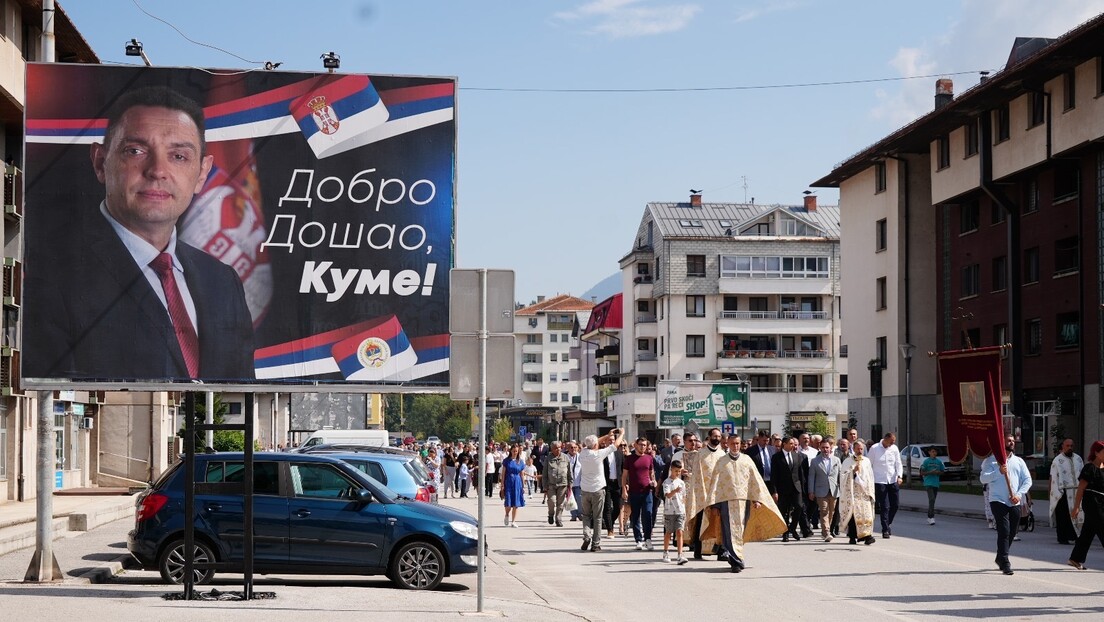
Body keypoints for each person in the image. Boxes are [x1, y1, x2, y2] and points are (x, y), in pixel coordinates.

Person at [24, 85, 255, 381]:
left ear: (201, 174)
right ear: (100, 162)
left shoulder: (223, 281)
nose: (157, 170)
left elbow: (242, 388)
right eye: (136, 151)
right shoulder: (49, 273)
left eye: (179, 156)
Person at [685, 433, 786, 573]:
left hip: (744, 501)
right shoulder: (721, 461)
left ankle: (735, 556)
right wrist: (715, 505)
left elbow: (755, 481)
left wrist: (756, 499)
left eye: (738, 443)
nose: (735, 446)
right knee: (729, 531)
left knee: (740, 531)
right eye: (732, 444)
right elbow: (716, 484)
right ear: (728, 444)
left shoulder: (747, 460)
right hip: (726, 502)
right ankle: (736, 561)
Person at [980, 435, 1032, 575]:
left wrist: (1019, 494)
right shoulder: (991, 460)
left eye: (1013, 440)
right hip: (997, 500)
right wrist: (998, 472)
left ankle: (1000, 556)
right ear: (1000, 442)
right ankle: (1005, 561)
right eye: (1009, 440)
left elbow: (1027, 480)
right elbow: (983, 478)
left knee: (1013, 531)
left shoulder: (1018, 461)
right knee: (1004, 530)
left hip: (1014, 500)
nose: (1012, 442)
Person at [579, 428, 622, 552]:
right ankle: (595, 544)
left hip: (585, 489)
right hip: (597, 489)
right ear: (596, 445)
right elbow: (616, 445)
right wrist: (622, 433)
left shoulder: (583, 453)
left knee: (586, 515)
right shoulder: (599, 454)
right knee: (598, 517)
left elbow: (592, 443)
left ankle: (587, 536)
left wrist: (607, 435)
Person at [1069, 440, 1104, 570]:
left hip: (1102, 502)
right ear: (1096, 452)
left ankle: (1075, 558)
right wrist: (1076, 507)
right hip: (1092, 502)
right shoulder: (1089, 468)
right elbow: (1081, 488)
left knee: (1088, 532)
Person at [622, 437, 658, 550]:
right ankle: (638, 540)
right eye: (641, 444)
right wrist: (624, 489)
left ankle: (648, 539)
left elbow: (652, 473)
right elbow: (624, 476)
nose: (643, 447)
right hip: (634, 492)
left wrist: (654, 482)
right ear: (636, 445)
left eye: (644, 445)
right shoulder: (629, 458)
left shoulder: (649, 458)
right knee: (635, 516)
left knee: (648, 514)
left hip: (647, 491)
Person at [839, 440, 877, 545]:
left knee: (867, 516)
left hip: (864, 493)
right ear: (854, 449)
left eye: (861, 449)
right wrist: (853, 472)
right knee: (854, 516)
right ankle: (852, 537)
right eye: (858, 449)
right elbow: (843, 476)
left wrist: (870, 491)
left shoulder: (867, 461)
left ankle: (867, 536)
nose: (860, 451)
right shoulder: (848, 461)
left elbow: (870, 476)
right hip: (852, 493)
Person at [768, 436, 805, 542]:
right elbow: (774, 475)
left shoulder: (797, 456)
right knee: (784, 511)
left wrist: (802, 489)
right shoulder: (776, 457)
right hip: (783, 489)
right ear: (784, 444)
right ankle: (785, 533)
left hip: (796, 487)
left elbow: (800, 473)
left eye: (794, 444)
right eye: (791, 443)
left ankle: (792, 528)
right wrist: (774, 491)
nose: (793, 446)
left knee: (799, 507)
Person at [868, 432, 903, 538]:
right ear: (886, 438)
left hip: (892, 480)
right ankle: (885, 530)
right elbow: (869, 464)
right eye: (891, 441)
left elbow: (898, 463)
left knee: (895, 505)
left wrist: (899, 476)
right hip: (879, 481)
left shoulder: (894, 449)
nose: (892, 444)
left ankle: (888, 524)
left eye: (894, 442)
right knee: (885, 506)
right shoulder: (874, 448)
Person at [1050, 438, 1085, 545]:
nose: (1070, 448)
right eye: (1067, 446)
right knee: (1063, 515)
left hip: (1077, 491)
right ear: (1063, 447)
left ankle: (1075, 536)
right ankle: (1063, 537)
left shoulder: (1078, 459)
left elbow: (1083, 475)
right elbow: (1053, 478)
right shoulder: (1057, 460)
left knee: (1077, 513)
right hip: (1063, 491)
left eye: (1071, 446)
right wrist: (1054, 492)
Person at [808, 438, 842, 542]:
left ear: (830, 448)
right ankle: (826, 532)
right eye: (823, 447)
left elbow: (840, 475)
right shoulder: (815, 461)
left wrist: (843, 489)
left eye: (827, 447)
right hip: (820, 491)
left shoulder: (836, 460)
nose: (825, 449)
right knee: (824, 511)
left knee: (831, 512)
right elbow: (811, 477)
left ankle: (825, 531)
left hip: (834, 490)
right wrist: (811, 491)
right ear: (820, 448)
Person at [661, 459, 689, 565]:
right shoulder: (666, 482)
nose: (677, 473)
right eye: (675, 471)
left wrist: (684, 506)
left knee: (680, 532)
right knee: (668, 532)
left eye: (679, 471)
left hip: (680, 511)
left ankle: (680, 555)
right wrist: (675, 491)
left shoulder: (681, 482)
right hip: (669, 511)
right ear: (671, 470)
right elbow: (667, 495)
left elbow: (684, 496)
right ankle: (665, 552)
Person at [543, 441, 571, 526]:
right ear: (552, 449)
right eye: (555, 448)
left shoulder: (566, 458)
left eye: (559, 447)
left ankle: (558, 519)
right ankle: (551, 514)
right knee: (551, 501)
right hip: (551, 484)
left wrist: (570, 484)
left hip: (563, 484)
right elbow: (544, 474)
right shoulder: (548, 458)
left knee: (560, 503)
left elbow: (569, 472)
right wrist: (544, 486)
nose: (558, 449)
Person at [603, 433, 626, 540]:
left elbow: (623, 471)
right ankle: (610, 530)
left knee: (618, 507)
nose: (611, 442)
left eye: (613, 440)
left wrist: (625, 485)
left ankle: (609, 522)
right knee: (607, 507)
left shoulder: (619, 454)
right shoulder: (602, 453)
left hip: (617, 484)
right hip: (606, 484)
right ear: (605, 441)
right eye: (609, 440)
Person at [500, 444, 526, 527]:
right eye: (514, 451)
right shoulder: (506, 461)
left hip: (517, 482)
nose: (515, 453)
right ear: (511, 451)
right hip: (508, 481)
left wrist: (523, 486)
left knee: (516, 502)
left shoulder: (520, 462)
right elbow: (503, 473)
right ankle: (507, 514)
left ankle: (514, 521)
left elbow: (522, 474)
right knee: (508, 503)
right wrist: (502, 484)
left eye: (516, 451)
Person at [920, 446, 946, 525]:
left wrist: (938, 472)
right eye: (933, 452)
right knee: (931, 499)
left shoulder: (939, 461)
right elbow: (922, 473)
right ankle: (931, 517)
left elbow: (942, 471)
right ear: (929, 452)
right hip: (928, 483)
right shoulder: (926, 461)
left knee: (933, 500)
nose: (934, 453)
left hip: (936, 483)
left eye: (935, 452)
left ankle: (929, 516)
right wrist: (930, 472)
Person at [567, 441, 583, 522]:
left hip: (579, 482)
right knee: (570, 500)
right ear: (568, 449)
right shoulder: (565, 458)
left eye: (575, 447)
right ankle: (573, 515)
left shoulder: (581, 457)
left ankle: (580, 514)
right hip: (569, 484)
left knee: (579, 499)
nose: (573, 449)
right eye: (571, 448)